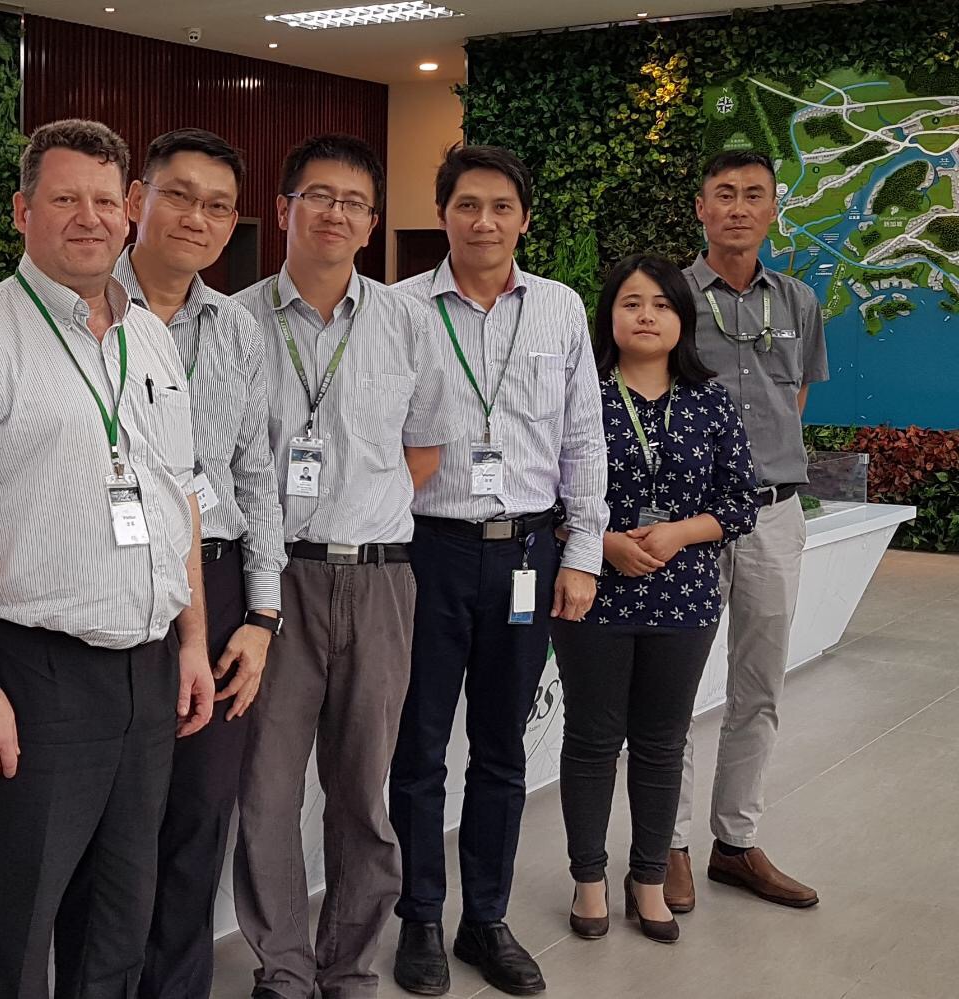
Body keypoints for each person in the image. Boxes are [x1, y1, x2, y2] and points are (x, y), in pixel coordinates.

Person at [0, 118, 213, 999]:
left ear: (128, 210)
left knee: (119, 924)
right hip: (33, 675)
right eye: (64, 199)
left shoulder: (150, 336)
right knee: (14, 926)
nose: (88, 218)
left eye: (103, 199)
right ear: (23, 211)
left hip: (149, 668)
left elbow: (177, 496)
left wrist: (193, 640)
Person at [232, 134, 462, 999]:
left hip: (379, 580)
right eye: (318, 196)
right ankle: (283, 966)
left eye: (354, 202)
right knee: (267, 790)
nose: (335, 213)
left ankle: (351, 964)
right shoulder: (236, 321)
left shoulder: (408, 320)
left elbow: (426, 448)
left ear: (370, 223)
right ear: (284, 208)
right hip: (271, 585)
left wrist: (359, 515)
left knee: (364, 791)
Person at [390, 144, 608, 997]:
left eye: (502, 207)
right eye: (467, 205)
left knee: (502, 746)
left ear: (524, 218)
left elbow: (582, 436)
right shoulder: (400, 308)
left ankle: (485, 916)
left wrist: (581, 553)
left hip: (526, 552)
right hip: (426, 551)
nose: (484, 222)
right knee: (418, 746)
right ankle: (419, 914)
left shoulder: (558, 307)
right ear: (442, 213)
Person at [112, 128, 288, 999]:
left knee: (199, 811)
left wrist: (261, 615)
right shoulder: (86, 311)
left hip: (214, 585)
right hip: (109, 577)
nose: (197, 218)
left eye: (218, 206)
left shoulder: (239, 331)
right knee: (115, 820)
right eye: (178, 195)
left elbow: (256, 476)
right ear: (136, 199)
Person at [555, 254, 760, 946]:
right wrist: (603, 541)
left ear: (682, 319)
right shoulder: (580, 395)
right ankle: (588, 879)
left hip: (685, 598)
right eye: (632, 303)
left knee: (662, 742)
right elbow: (545, 495)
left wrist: (678, 533)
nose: (647, 315)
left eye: (662, 305)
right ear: (608, 316)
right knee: (591, 739)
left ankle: (648, 879)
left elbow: (740, 502)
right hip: (592, 591)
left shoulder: (711, 401)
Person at [667, 150, 829, 912]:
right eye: (724, 194)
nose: (738, 207)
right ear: (700, 208)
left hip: (771, 514)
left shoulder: (798, 300)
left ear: (773, 210)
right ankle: (666, 845)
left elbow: (792, 399)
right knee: (671, 689)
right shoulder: (670, 297)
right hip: (689, 521)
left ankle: (734, 842)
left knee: (758, 686)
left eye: (753, 195)